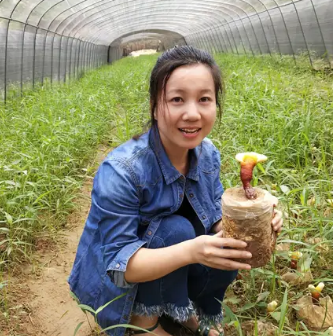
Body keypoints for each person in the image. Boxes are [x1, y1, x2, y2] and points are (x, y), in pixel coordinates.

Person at [68, 45, 283, 336]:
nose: (192, 113)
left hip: (169, 264)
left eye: (204, 99)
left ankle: (186, 310)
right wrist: (193, 250)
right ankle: (143, 322)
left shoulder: (207, 154)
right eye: (177, 99)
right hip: (119, 285)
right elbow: (120, 267)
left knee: (229, 239)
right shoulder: (121, 170)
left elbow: (215, 221)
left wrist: (252, 221)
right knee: (176, 231)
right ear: (156, 107)